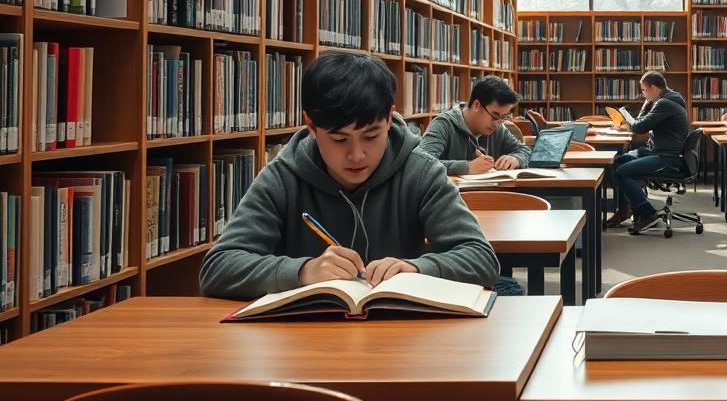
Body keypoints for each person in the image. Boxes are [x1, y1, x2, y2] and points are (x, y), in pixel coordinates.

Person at [199, 52, 499, 299]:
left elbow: (481, 259)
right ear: (311, 125)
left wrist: (416, 269)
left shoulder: (420, 171)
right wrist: (303, 271)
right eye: (339, 140)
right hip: (302, 345)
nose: (357, 155)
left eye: (371, 136)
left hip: (402, 339)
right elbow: (217, 267)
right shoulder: (283, 175)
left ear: (389, 116)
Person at [604, 71, 691, 232]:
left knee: (623, 172)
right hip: (658, 151)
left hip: (667, 158)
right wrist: (647, 103)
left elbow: (638, 127)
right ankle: (627, 209)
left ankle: (646, 212)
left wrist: (643, 107)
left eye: (644, 90)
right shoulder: (668, 98)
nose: (643, 93)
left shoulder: (665, 103)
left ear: (652, 87)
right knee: (618, 161)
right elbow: (641, 122)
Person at [417, 76, 531, 174]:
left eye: (504, 117)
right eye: (495, 116)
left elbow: (526, 151)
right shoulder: (443, 125)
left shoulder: (499, 129)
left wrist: (516, 159)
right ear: (476, 105)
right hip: (452, 197)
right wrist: (466, 167)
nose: (498, 123)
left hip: (490, 196)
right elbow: (421, 163)